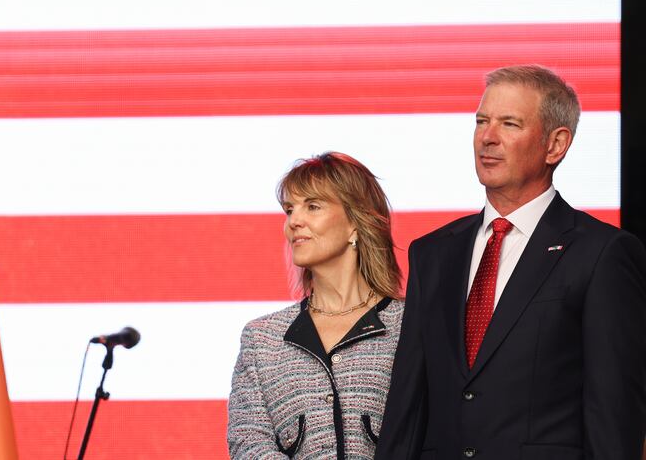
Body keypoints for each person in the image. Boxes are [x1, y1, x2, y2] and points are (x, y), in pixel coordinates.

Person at [375, 65, 646, 460]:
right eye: (482, 121)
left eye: (510, 124)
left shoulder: (602, 253)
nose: (488, 137)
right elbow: (407, 405)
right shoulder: (432, 253)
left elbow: (614, 413)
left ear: (556, 145)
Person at [228, 152, 404, 459]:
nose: (294, 221)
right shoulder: (261, 339)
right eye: (289, 209)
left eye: (313, 206)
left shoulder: (411, 326)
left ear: (355, 222)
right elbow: (248, 445)